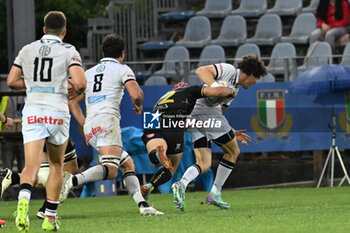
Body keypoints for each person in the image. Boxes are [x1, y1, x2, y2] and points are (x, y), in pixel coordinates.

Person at [60, 33, 163, 216]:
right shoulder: (122, 69)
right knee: (111, 171)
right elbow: (136, 94)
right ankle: (72, 181)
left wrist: (84, 126)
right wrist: (138, 105)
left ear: (103, 52)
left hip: (91, 126)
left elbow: (72, 102)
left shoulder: (88, 73)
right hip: (108, 120)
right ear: (122, 54)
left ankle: (143, 206)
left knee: (127, 164)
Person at [7, 11, 86, 232]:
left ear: (43, 29)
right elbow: (80, 83)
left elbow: (12, 80)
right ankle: (49, 218)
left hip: (32, 112)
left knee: (30, 166)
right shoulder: (69, 50)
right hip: (57, 112)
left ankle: (23, 199)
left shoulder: (27, 49)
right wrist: (68, 87)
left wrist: (33, 83)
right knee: (56, 165)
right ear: (64, 31)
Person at [172, 55, 267, 211]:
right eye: (256, 78)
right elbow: (201, 70)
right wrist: (217, 87)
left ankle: (181, 185)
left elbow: (220, 112)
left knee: (204, 163)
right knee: (233, 151)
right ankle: (215, 193)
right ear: (250, 74)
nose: (255, 82)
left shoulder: (234, 89)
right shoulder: (229, 71)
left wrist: (232, 131)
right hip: (205, 113)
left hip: (196, 117)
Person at [140, 82, 237, 202]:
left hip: (152, 118)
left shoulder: (166, 95)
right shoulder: (192, 90)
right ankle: (152, 182)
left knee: (156, 159)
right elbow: (216, 91)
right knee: (171, 167)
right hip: (173, 120)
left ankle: (156, 160)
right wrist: (231, 91)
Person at [0, 137, 80, 219]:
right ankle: (47, 209)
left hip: (36, 131)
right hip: (55, 130)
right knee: (65, 177)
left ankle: (13, 178)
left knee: (43, 173)